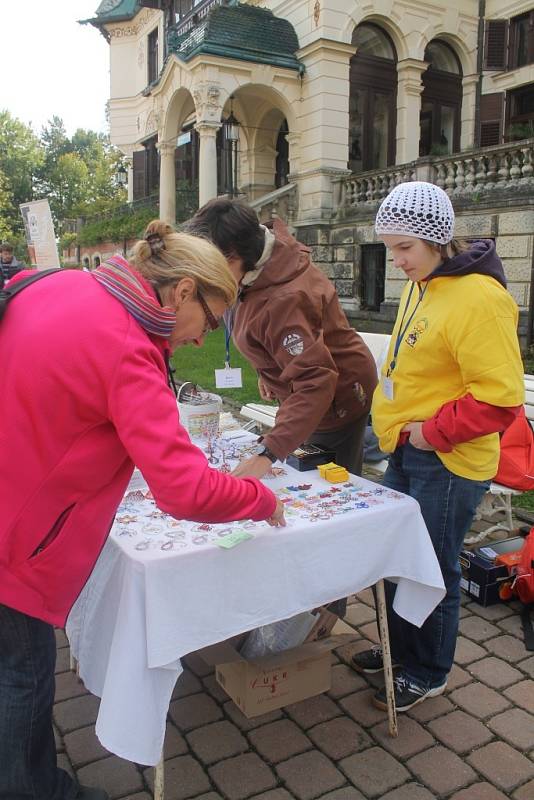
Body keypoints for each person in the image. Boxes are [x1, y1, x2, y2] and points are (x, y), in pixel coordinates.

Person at [0, 220, 285, 800]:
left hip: (16, 493)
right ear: (181, 291)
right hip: (18, 537)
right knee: (21, 676)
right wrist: (260, 497)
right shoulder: (129, 349)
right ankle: (28, 789)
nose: (204, 339)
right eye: (208, 321)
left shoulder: (60, 283)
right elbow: (184, 491)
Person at [351, 181, 524, 711]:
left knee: (433, 566)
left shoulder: (479, 298)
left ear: (437, 237)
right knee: (402, 557)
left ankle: (429, 670)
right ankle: (401, 651)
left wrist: (434, 431)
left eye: (404, 246)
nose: (395, 259)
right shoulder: (423, 281)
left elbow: (499, 399)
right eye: (389, 247)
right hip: (406, 447)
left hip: (447, 460)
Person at [186, 199, 377, 480]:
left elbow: (316, 382)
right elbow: (270, 333)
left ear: (233, 257)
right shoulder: (256, 266)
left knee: (326, 486)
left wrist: (267, 453)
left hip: (336, 400)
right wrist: (269, 368)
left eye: (211, 266)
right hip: (310, 388)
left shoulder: (284, 299)